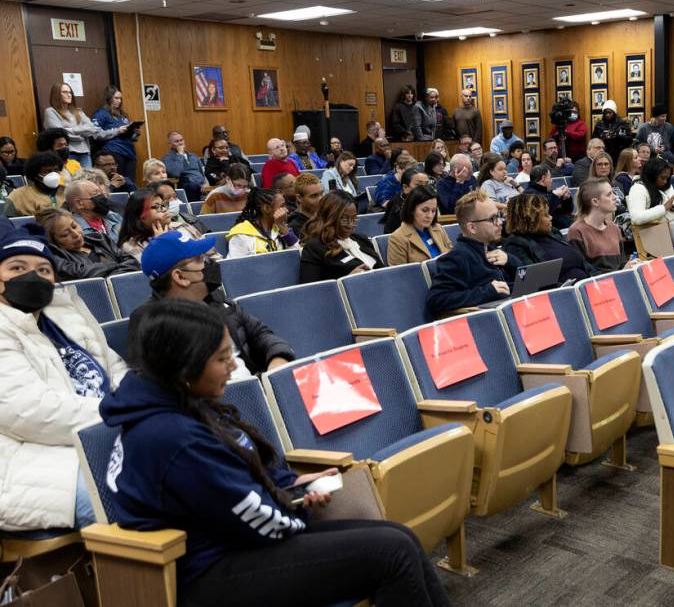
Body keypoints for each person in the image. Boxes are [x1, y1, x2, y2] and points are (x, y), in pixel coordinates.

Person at [103, 300, 448, 607]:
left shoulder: (177, 399)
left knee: (400, 537)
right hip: (209, 572)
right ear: (185, 367)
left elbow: (243, 466)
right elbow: (253, 518)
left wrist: (293, 485)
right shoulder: (172, 437)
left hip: (235, 541)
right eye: (222, 358)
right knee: (391, 553)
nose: (234, 367)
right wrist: (293, 504)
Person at [0, 225, 127, 533]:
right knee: (139, 503)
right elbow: (28, 411)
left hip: (102, 436)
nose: (33, 276)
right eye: (17, 267)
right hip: (29, 461)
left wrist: (134, 405)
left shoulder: (64, 313)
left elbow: (117, 369)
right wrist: (124, 412)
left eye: (44, 270)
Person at [136, 232, 294, 377]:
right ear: (180, 277)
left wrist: (278, 358)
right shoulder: (154, 323)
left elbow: (259, 332)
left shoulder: (214, 297)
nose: (209, 263)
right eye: (199, 259)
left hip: (259, 382)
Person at [426, 190, 515, 313]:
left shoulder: (492, 248)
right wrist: (487, 292)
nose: (500, 223)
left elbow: (524, 280)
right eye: (492, 219)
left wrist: (510, 261)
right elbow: (437, 299)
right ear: (472, 227)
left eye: (499, 216)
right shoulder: (458, 257)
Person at [502, 193, 591, 283]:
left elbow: (585, 264)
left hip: (588, 285)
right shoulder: (516, 245)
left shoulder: (553, 233)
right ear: (531, 219)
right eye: (545, 214)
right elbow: (532, 282)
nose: (551, 217)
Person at [300, 191, 382, 282]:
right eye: (344, 219)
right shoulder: (315, 247)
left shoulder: (361, 239)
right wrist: (347, 280)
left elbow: (383, 271)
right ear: (330, 218)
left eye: (354, 218)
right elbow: (311, 290)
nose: (350, 224)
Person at [37, 208, 140, 280]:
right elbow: (85, 273)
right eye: (65, 234)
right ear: (53, 241)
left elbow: (131, 262)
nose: (76, 234)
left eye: (74, 226)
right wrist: (116, 265)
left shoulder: (100, 238)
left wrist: (109, 276)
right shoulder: (54, 257)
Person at [44, 82, 128, 169]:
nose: (69, 95)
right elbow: (59, 133)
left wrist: (72, 130)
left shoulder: (78, 111)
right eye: (65, 92)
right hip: (67, 153)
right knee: (71, 181)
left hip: (84, 153)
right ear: (56, 94)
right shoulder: (51, 111)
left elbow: (92, 129)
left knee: (88, 180)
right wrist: (82, 133)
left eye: (70, 92)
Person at [567, 178, 633, 273]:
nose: (615, 197)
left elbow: (621, 263)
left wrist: (629, 266)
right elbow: (583, 271)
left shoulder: (614, 228)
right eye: (609, 194)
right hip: (597, 285)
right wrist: (619, 272)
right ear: (595, 202)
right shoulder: (577, 231)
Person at [387, 186, 453, 265]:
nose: (430, 215)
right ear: (411, 209)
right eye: (424, 210)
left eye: (433, 211)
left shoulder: (438, 228)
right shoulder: (397, 238)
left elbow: (452, 257)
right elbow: (400, 274)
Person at [227, 188, 300, 258]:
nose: (286, 210)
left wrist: (283, 226)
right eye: (282, 206)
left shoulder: (280, 228)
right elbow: (234, 266)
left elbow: (298, 255)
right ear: (267, 208)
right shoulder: (242, 234)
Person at [91, 86, 140, 180]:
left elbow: (130, 137)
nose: (119, 101)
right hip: (114, 152)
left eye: (120, 98)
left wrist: (135, 133)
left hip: (129, 152)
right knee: (117, 181)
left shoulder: (123, 115)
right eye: (116, 98)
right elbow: (95, 134)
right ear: (109, 99)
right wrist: (117, 131)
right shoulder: (101, 114)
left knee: (130, 182)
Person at [3, 152, 66, 217]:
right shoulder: (18, 196)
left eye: (56, 170)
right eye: (46, 171)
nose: (53, 175)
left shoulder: (67, 192)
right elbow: (9, 223)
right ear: (35, 175)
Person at [118, 189, 171, 262]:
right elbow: (151, 271)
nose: (164, 209)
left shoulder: (180, 226)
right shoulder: (130, 246)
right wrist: (161, 244)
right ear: (140, 216)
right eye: (156, 206)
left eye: (163, 205)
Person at [523, 164, 574, 230]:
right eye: (550, 177)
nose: (551, 180)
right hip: (552, 230)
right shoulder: (529, 195)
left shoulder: (548, 191)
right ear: (543, 178)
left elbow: (568, 210)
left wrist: (566, 199)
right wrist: (556, 196)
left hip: (565, 225)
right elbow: (542, 211)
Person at [163, 131, 207, 201]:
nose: (180, 143)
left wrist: (204, 183)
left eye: (181, 140)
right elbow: (175, 173)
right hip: (186, 185)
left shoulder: (193, 155)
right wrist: (180, 155)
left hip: (201, 185)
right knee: (192, 186)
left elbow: (202, 172)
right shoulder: (167, 158)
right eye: (176, 141)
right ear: (170, 144)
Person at [383, 168, 430, 234]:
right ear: (405, 188)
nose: (425, 188)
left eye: (427, 184)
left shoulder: (428, 201)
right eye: (418, 185)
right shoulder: (399, 206)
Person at [592, 100, 632, 165]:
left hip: (619, 154)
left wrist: (617, 136)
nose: (607, 115)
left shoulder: (622, 124)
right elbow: (594, 140)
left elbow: (629, 140)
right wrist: (602, 137)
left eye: (609, 113)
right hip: (603, 154)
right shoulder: (599, 125)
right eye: (605, 113)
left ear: (614, 112)